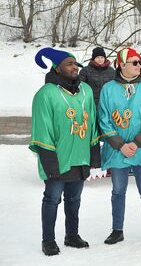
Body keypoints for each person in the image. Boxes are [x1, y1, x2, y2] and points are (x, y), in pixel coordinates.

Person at [31, 47, 100, 256]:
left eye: (76, 63)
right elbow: (42, 130)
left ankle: (72, 235)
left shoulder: (86, 91)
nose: (75, 67)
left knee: (74, 199)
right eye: (69, 64)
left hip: (80, 157)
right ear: (57, 68)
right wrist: (50, 163)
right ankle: (48, 240)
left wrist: (93, 156)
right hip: (57, 159)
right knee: (52, 199)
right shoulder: (45, 95)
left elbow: (92, 125)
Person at [98, 47, 141, 246]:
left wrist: (136, 143)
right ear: (121, 65)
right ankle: (117, 230)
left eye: (140, 62)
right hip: (117, 151)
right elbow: (104, 120)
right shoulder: (108, 89)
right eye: (134, 62)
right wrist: (120, 145)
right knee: (118, 191)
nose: (138, 66)